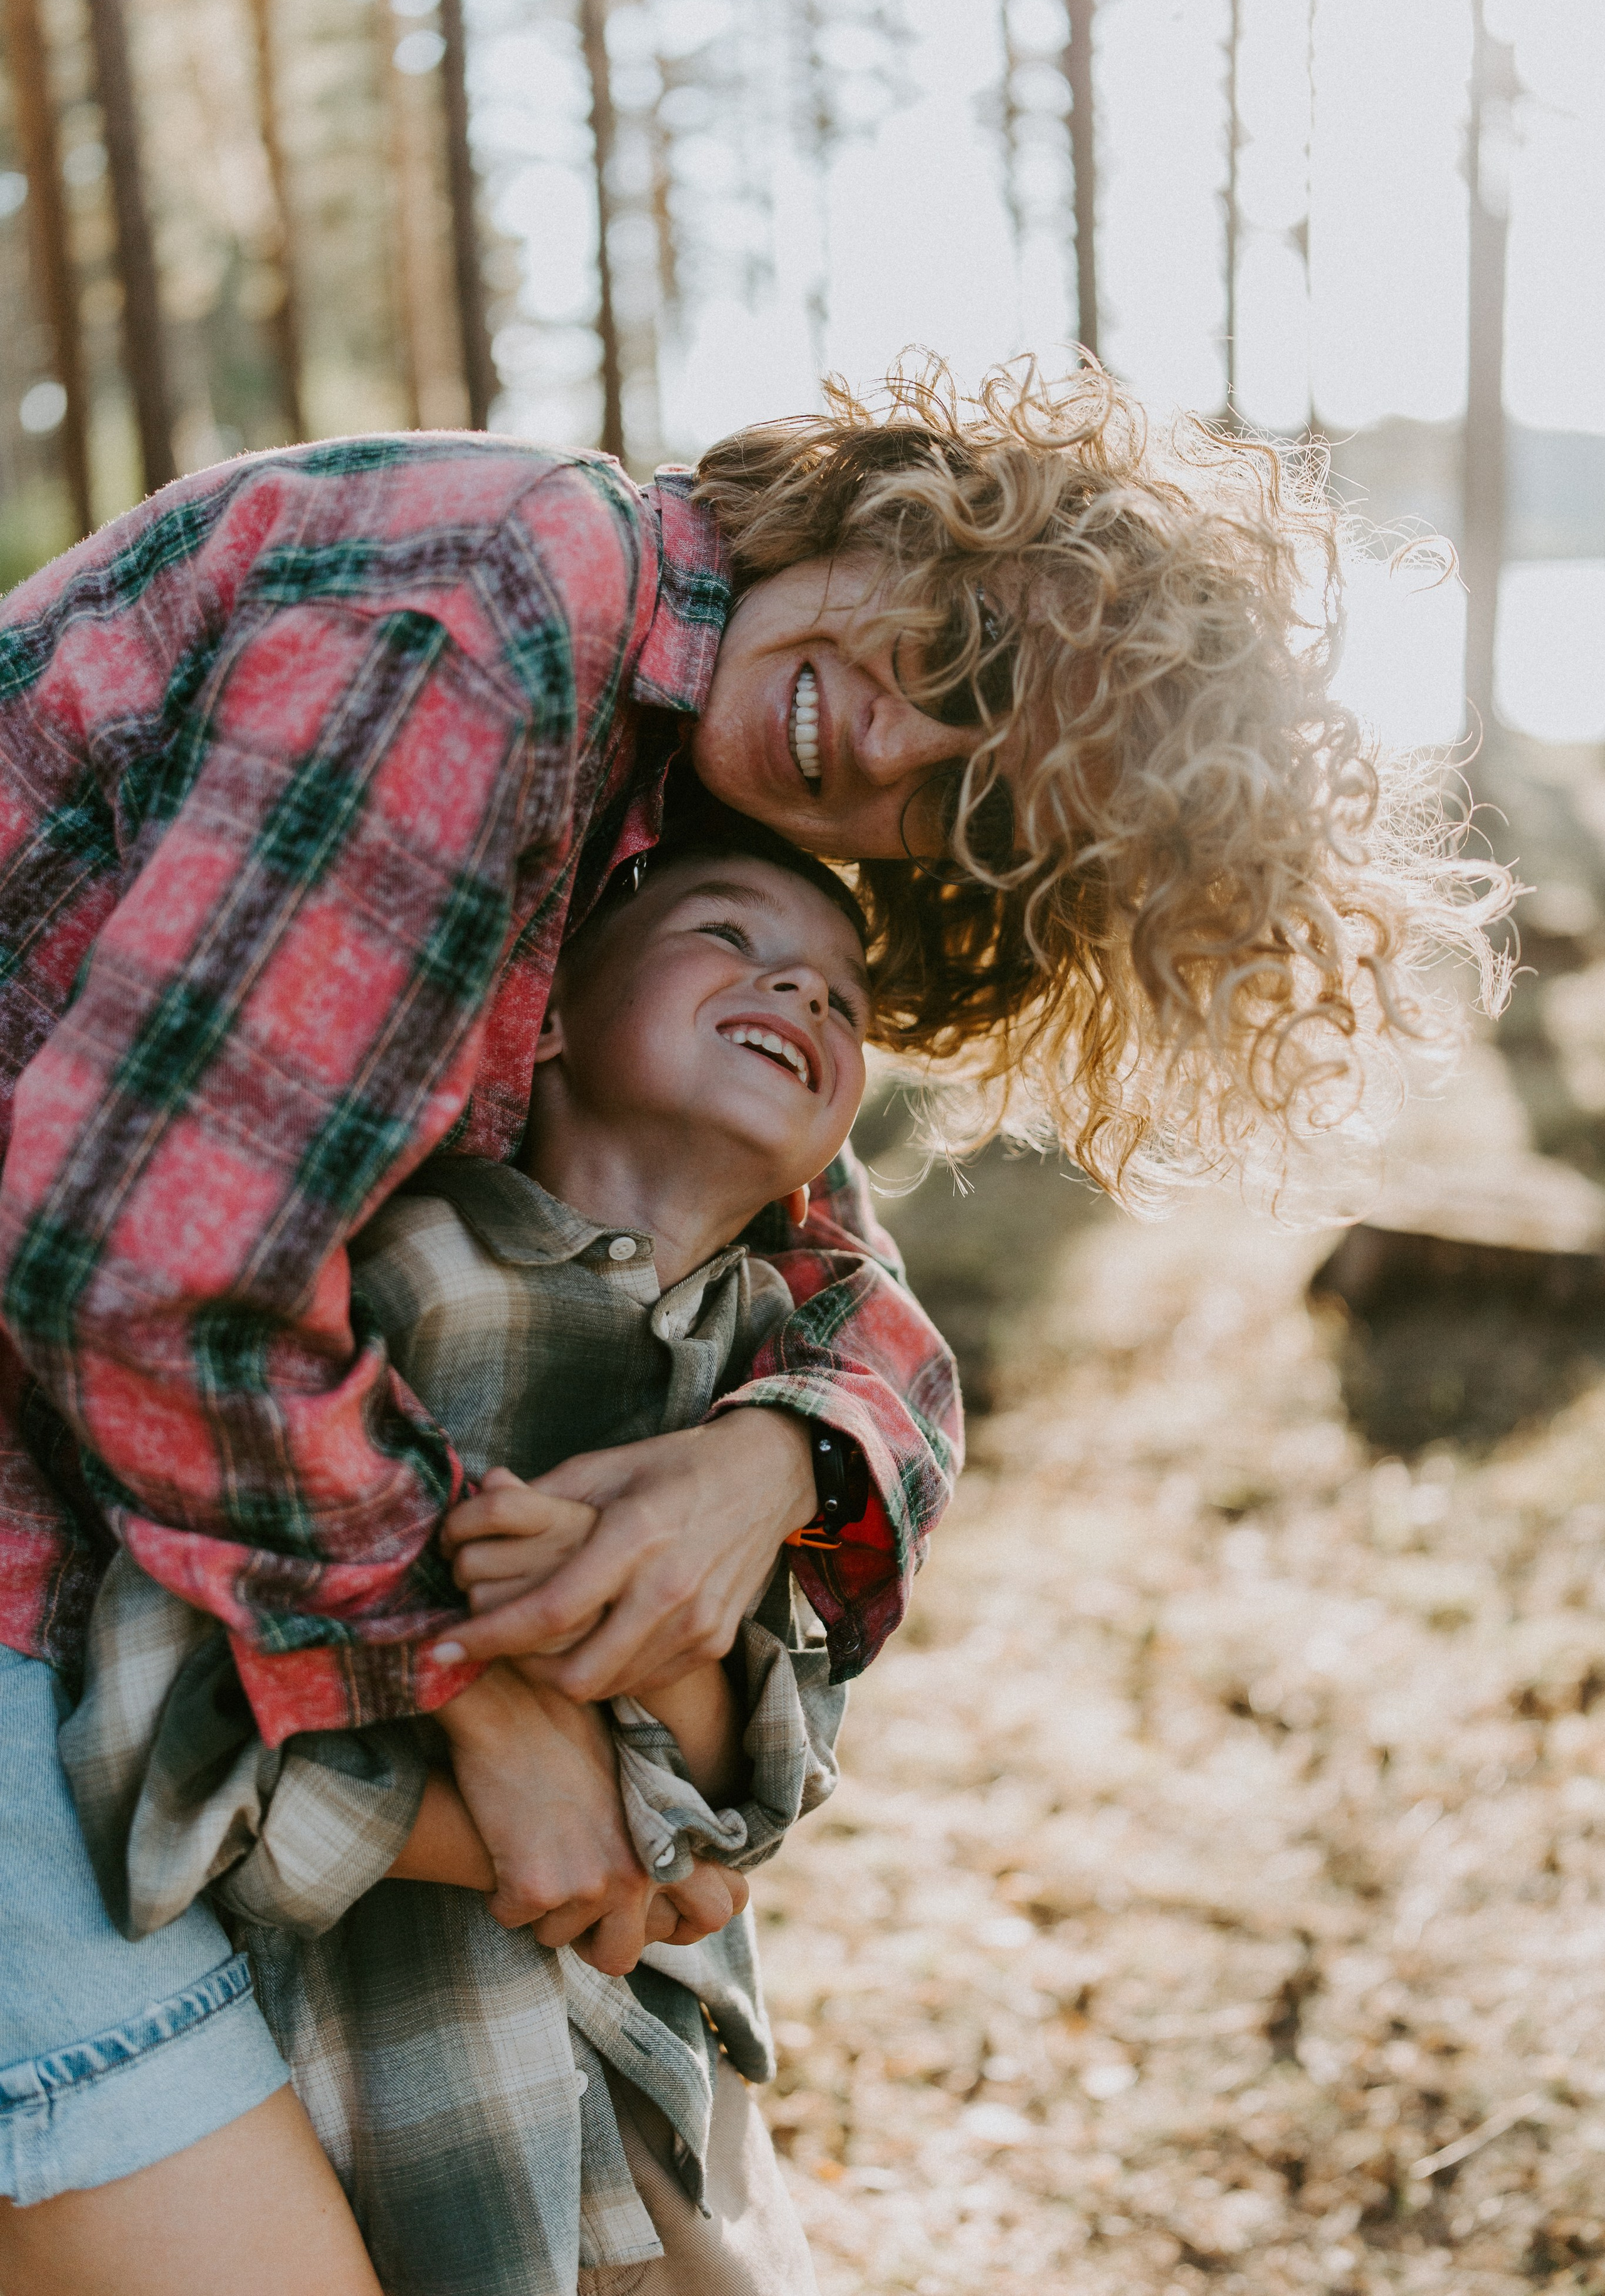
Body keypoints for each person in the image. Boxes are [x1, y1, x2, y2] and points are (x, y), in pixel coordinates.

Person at [0, 359, 1507, 2293]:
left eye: (966, 797)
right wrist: (489, 1699)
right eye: (954, 651)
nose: (890, 748)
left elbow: (860, 1310)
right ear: (905, 509)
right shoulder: (509, 598)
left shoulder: (657, 797)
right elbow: (143, 1270)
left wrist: (771, 1455)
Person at [61, 800, 876, 2295]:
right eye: (729, 937)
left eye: (842, 991)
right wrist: (521, 1813)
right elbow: (170, 1746)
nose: (804, 992)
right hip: (418, 2091)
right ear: (545, 1015)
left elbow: (770, 1770)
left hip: (671, 2100)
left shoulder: (778, 1382)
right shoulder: (381, 1297)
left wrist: (641, 1660)